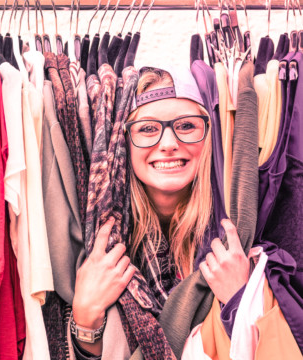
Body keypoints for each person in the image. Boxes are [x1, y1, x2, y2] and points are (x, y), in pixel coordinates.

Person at [71, 66, 250, 358]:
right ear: (124, 143)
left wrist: (241, 302)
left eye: (187, 126)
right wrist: (85, 319)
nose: (168, 144)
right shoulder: (108, 244)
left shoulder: (235, 239)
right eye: (148, 129)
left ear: (209, 136)